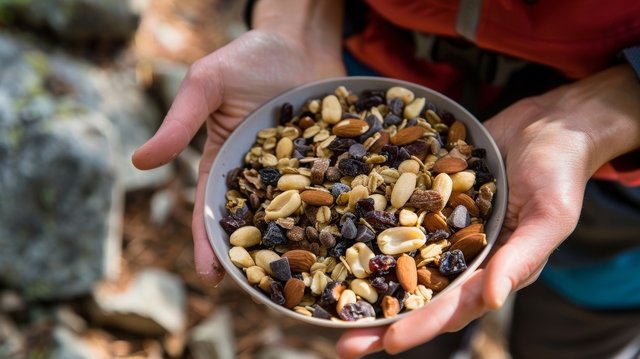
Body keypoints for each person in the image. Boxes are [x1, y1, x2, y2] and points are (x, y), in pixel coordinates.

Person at [132, 1, 640, 358]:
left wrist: (604, 111)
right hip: (366, 63)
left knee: (579, 336)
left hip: (617, 178)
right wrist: (296, 20)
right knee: (407, 338)